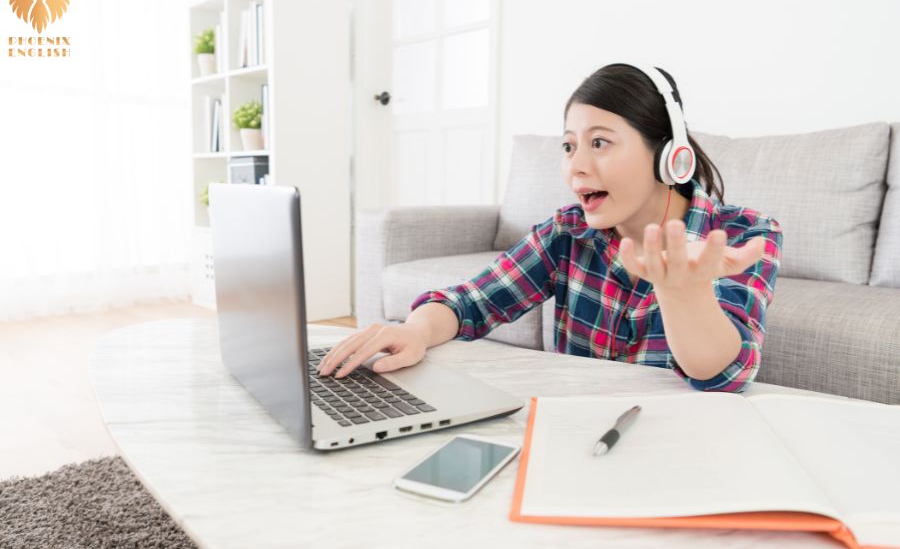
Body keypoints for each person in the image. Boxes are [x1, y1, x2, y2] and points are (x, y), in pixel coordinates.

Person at [318, 63, 783, 393]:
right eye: (567, 146)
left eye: (599, 142)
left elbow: (724, 377)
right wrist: (417, 330)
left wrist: (683, 294)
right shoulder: (568, 233)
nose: (575, 167)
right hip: (579, 432)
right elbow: (471, 302)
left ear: (669, 154)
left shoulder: (743, 236)